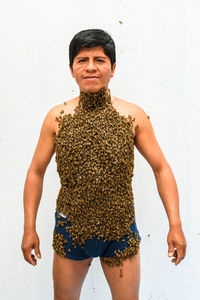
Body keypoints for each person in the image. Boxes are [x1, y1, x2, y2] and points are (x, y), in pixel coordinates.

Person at [21, 29, 187, 300]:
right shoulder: (57, 118)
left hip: (120, 228)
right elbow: (35, 172)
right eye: (82, 60)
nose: (90, 67)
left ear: (113, 68)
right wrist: (29, 228)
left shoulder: (132, 116)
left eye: (99, 60)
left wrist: (175, 224)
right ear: (72, 69)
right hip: (71, 228)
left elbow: (161, 168)